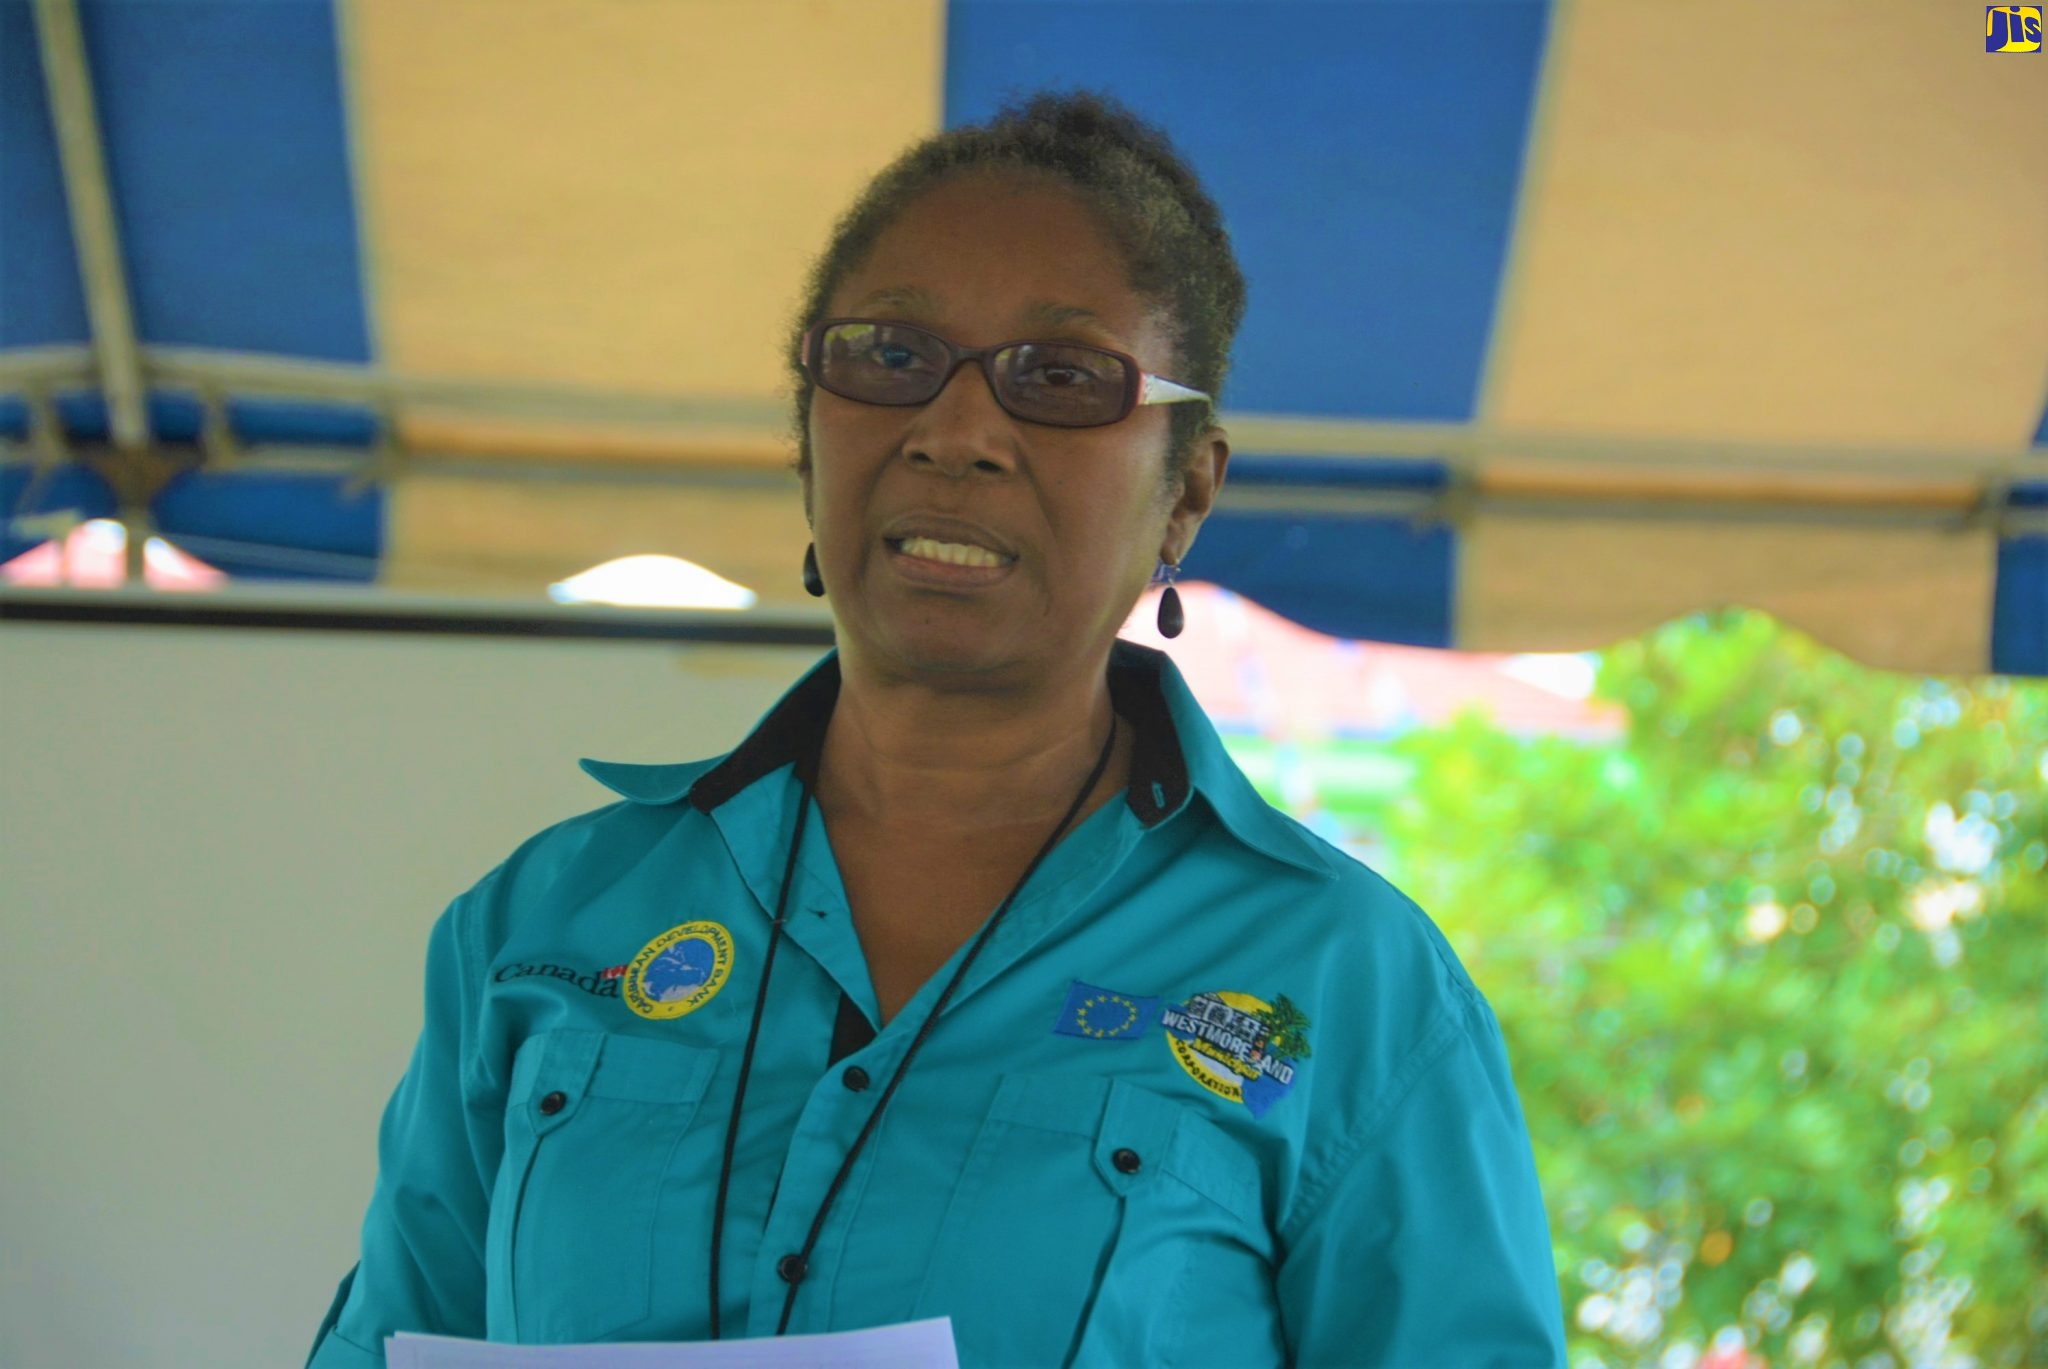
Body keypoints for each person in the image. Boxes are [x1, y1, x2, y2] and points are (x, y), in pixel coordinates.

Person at [306, 90, 1567, 1369]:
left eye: (1062, 378)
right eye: (890, 356)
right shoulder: (540, 926)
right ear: (805, 436)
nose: (956, 432)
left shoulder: (1344, 985)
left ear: (1185, 489)